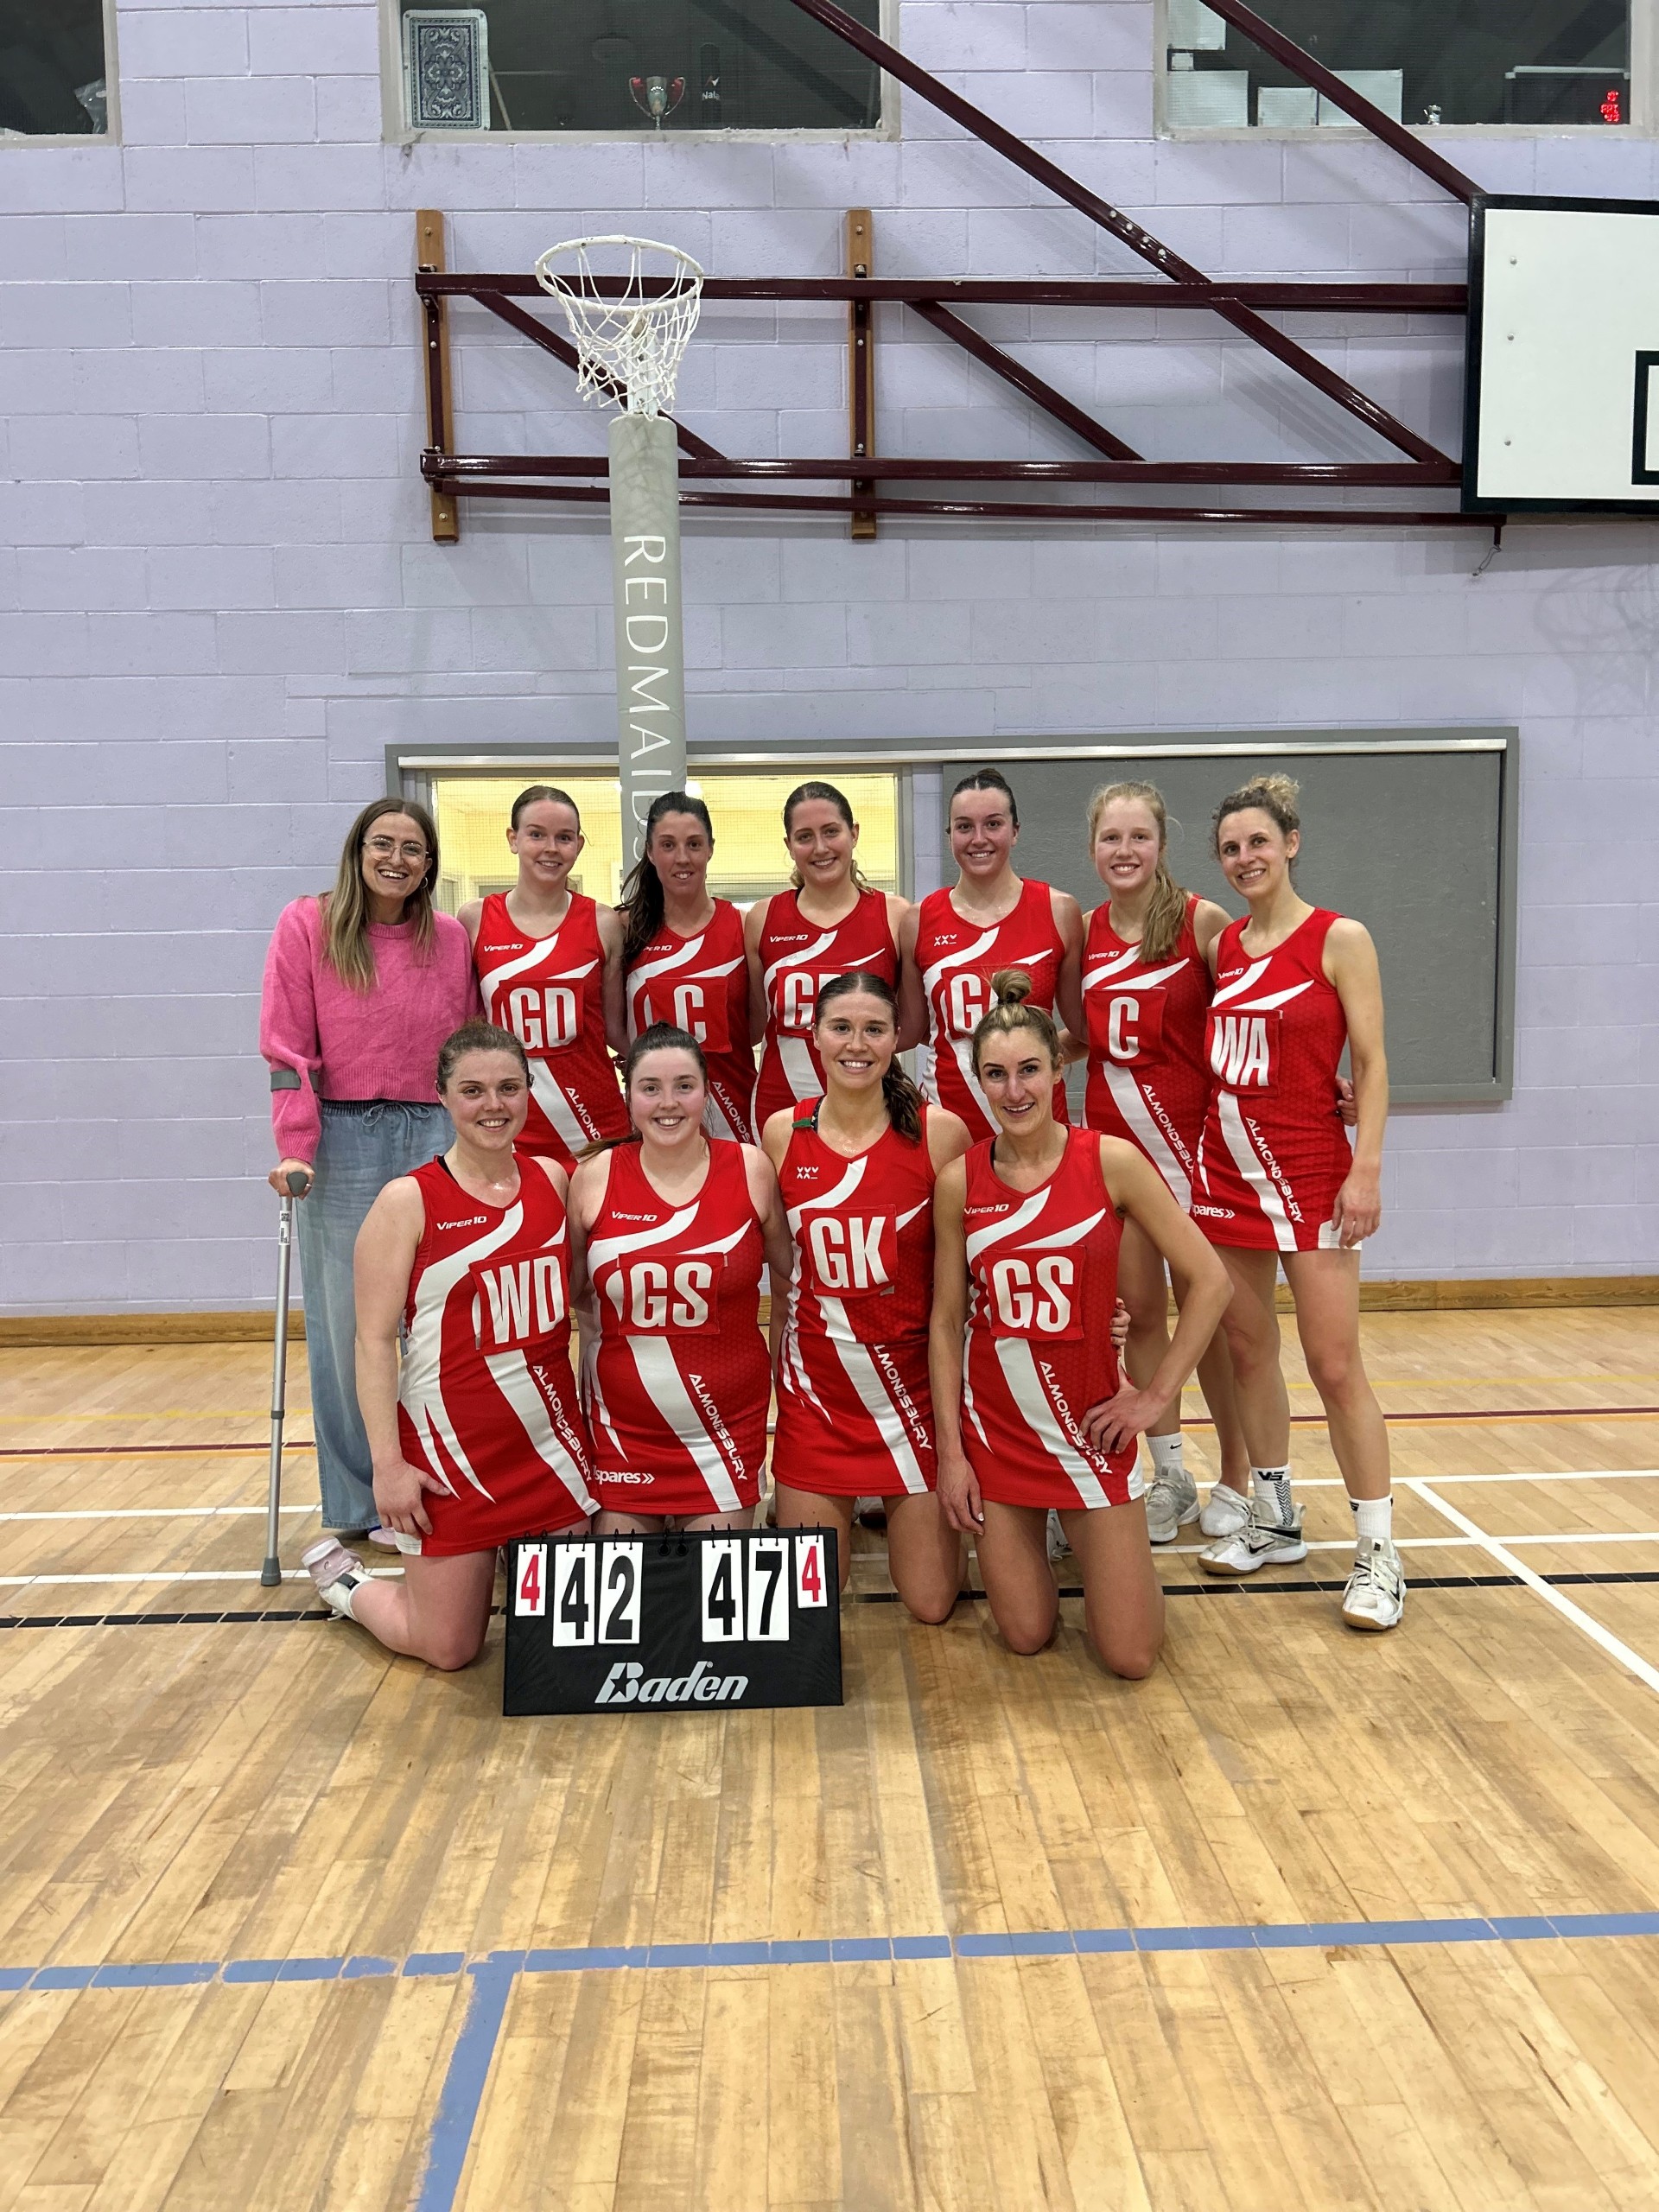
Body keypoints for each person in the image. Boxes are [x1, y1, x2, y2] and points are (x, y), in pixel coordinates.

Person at [930, 973, 1230, 1676]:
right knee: (1027, 1635)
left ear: (1057, 1067)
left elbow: (1211, 1280)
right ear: (976, 1081)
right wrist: (951, 1456)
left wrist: (1154, 1399)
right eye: (996, 1075)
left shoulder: (1111, 1161)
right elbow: (946, 1324)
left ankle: (1093, 1540)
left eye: (1029, 1070)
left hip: (1094, 1428)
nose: (1015, 1091)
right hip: (998, 1437)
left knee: (1130, 1657)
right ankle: (1055, 1538)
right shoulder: (959, 1182)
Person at [301, 1022, 597, 1669]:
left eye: (508, 1088)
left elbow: (582, 1296)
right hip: (449, 1458)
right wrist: (387, 1465)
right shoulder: (406, 1202)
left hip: (549, 1451)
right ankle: (346, 1585)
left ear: (527, 1092)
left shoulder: (553, 1179)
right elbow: (374, 1342)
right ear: (441, 1096)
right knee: (449, 1648)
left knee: (565, 1645)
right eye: (473, 1090)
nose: (494, 1104)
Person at [1191, 775, 1404, 1631]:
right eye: (1232, 847)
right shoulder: (1225, 947)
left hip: (1314, 1172)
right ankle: (1274, 1516)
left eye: (1259, 842)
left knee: (1335, 1364)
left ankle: (1379, 1552)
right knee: (1246, 1350)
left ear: (1292, 844)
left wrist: (1368, 1168)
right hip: (1226, 1173)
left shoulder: (1339, 937)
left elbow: (1374, 1063)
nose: (1246, 857)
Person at [261, 798, 479, 1541]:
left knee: (433, 1319)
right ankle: (359, 1500)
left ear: (429, 866)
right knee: (349, 1323)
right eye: (382, 844)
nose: (397, 859)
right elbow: (287, 1049)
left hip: (430, 1130)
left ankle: (426, 1477)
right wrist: (296, 1145)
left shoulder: (449, 937)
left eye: (413, 849)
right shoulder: (308, 925)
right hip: (344, 1138)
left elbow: (466, 1047)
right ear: (358, 851)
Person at [763, 972, 971, 1620]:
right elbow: (782, 1280)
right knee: (811, 1606)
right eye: (841, 1027)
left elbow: (977, 1271)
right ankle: (796, 1493)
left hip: (911, 1398)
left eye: (874, 1029)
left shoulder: (941, 1134)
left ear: (896, 1039)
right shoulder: (779, 1133)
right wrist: (782, 1397)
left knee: (932, 1604)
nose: (857, 1044)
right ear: (814, 1036)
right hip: (817, 1400)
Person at [1077, 780, 1251, 1545]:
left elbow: (1254, 1017)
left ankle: (1240, 1479)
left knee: (1218, 1324)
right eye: (1111, 838)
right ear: (1093, 848)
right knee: (1144, 1315)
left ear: (1161, 845)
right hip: (1120, 1159)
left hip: (1194, 1156)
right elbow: (1080, 1038)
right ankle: (1170, 1473)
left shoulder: (1200, 921)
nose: (1124, 851)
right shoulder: (1084, 933)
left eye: (1138, 837)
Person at [569, 1024, 793, 1530]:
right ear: (629, 1096)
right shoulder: (592, 1177)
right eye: (650, 1088)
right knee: (632, 1607)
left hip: (724, 1432)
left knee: (708, 1606)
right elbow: (577, 1296)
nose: (668, 1103)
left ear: (707, 1091)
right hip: (623, 1434)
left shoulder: (751, 1168)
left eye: (684, 1086)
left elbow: (789, 1281)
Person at [902, 768, 1083, 1143]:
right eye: (964, 827)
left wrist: (1034, 1059)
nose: (978, 839)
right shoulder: (918, 920)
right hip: (948, 1129)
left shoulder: (1059, 910)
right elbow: (917, 1029)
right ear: (949, 835)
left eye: (993, 824)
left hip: (1040, 1125)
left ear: (1015, 830)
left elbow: (1085, 1029)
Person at [461, 784, 629, 1168]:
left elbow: (616, 1030)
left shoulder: (602, 922)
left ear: (579, 844)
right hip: (506, 1123)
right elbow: (465, 1031)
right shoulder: (475, 920)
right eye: (536, 834)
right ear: (513, 839)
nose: (551, 848)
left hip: (594, 1124)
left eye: (564, 837)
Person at [746, 780, 914, 1128]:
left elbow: (910, 1028)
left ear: (853, 833)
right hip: (779, 1108)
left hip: (870, 1104)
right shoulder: (762, 919)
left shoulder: (896, 916)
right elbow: (754, 1025)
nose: (820, 847)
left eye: (831, 831)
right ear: (789, 846)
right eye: (805, 836)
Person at [618, 790, 755, 1141]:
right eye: (667, 845)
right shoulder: (624, 929)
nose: (682, 858)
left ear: (710, 848)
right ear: (650, 852)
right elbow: (611, 1024)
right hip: (655, 1113)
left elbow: (755, 1026)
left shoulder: (743, 926)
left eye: (694, 844)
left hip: (732, 1111)